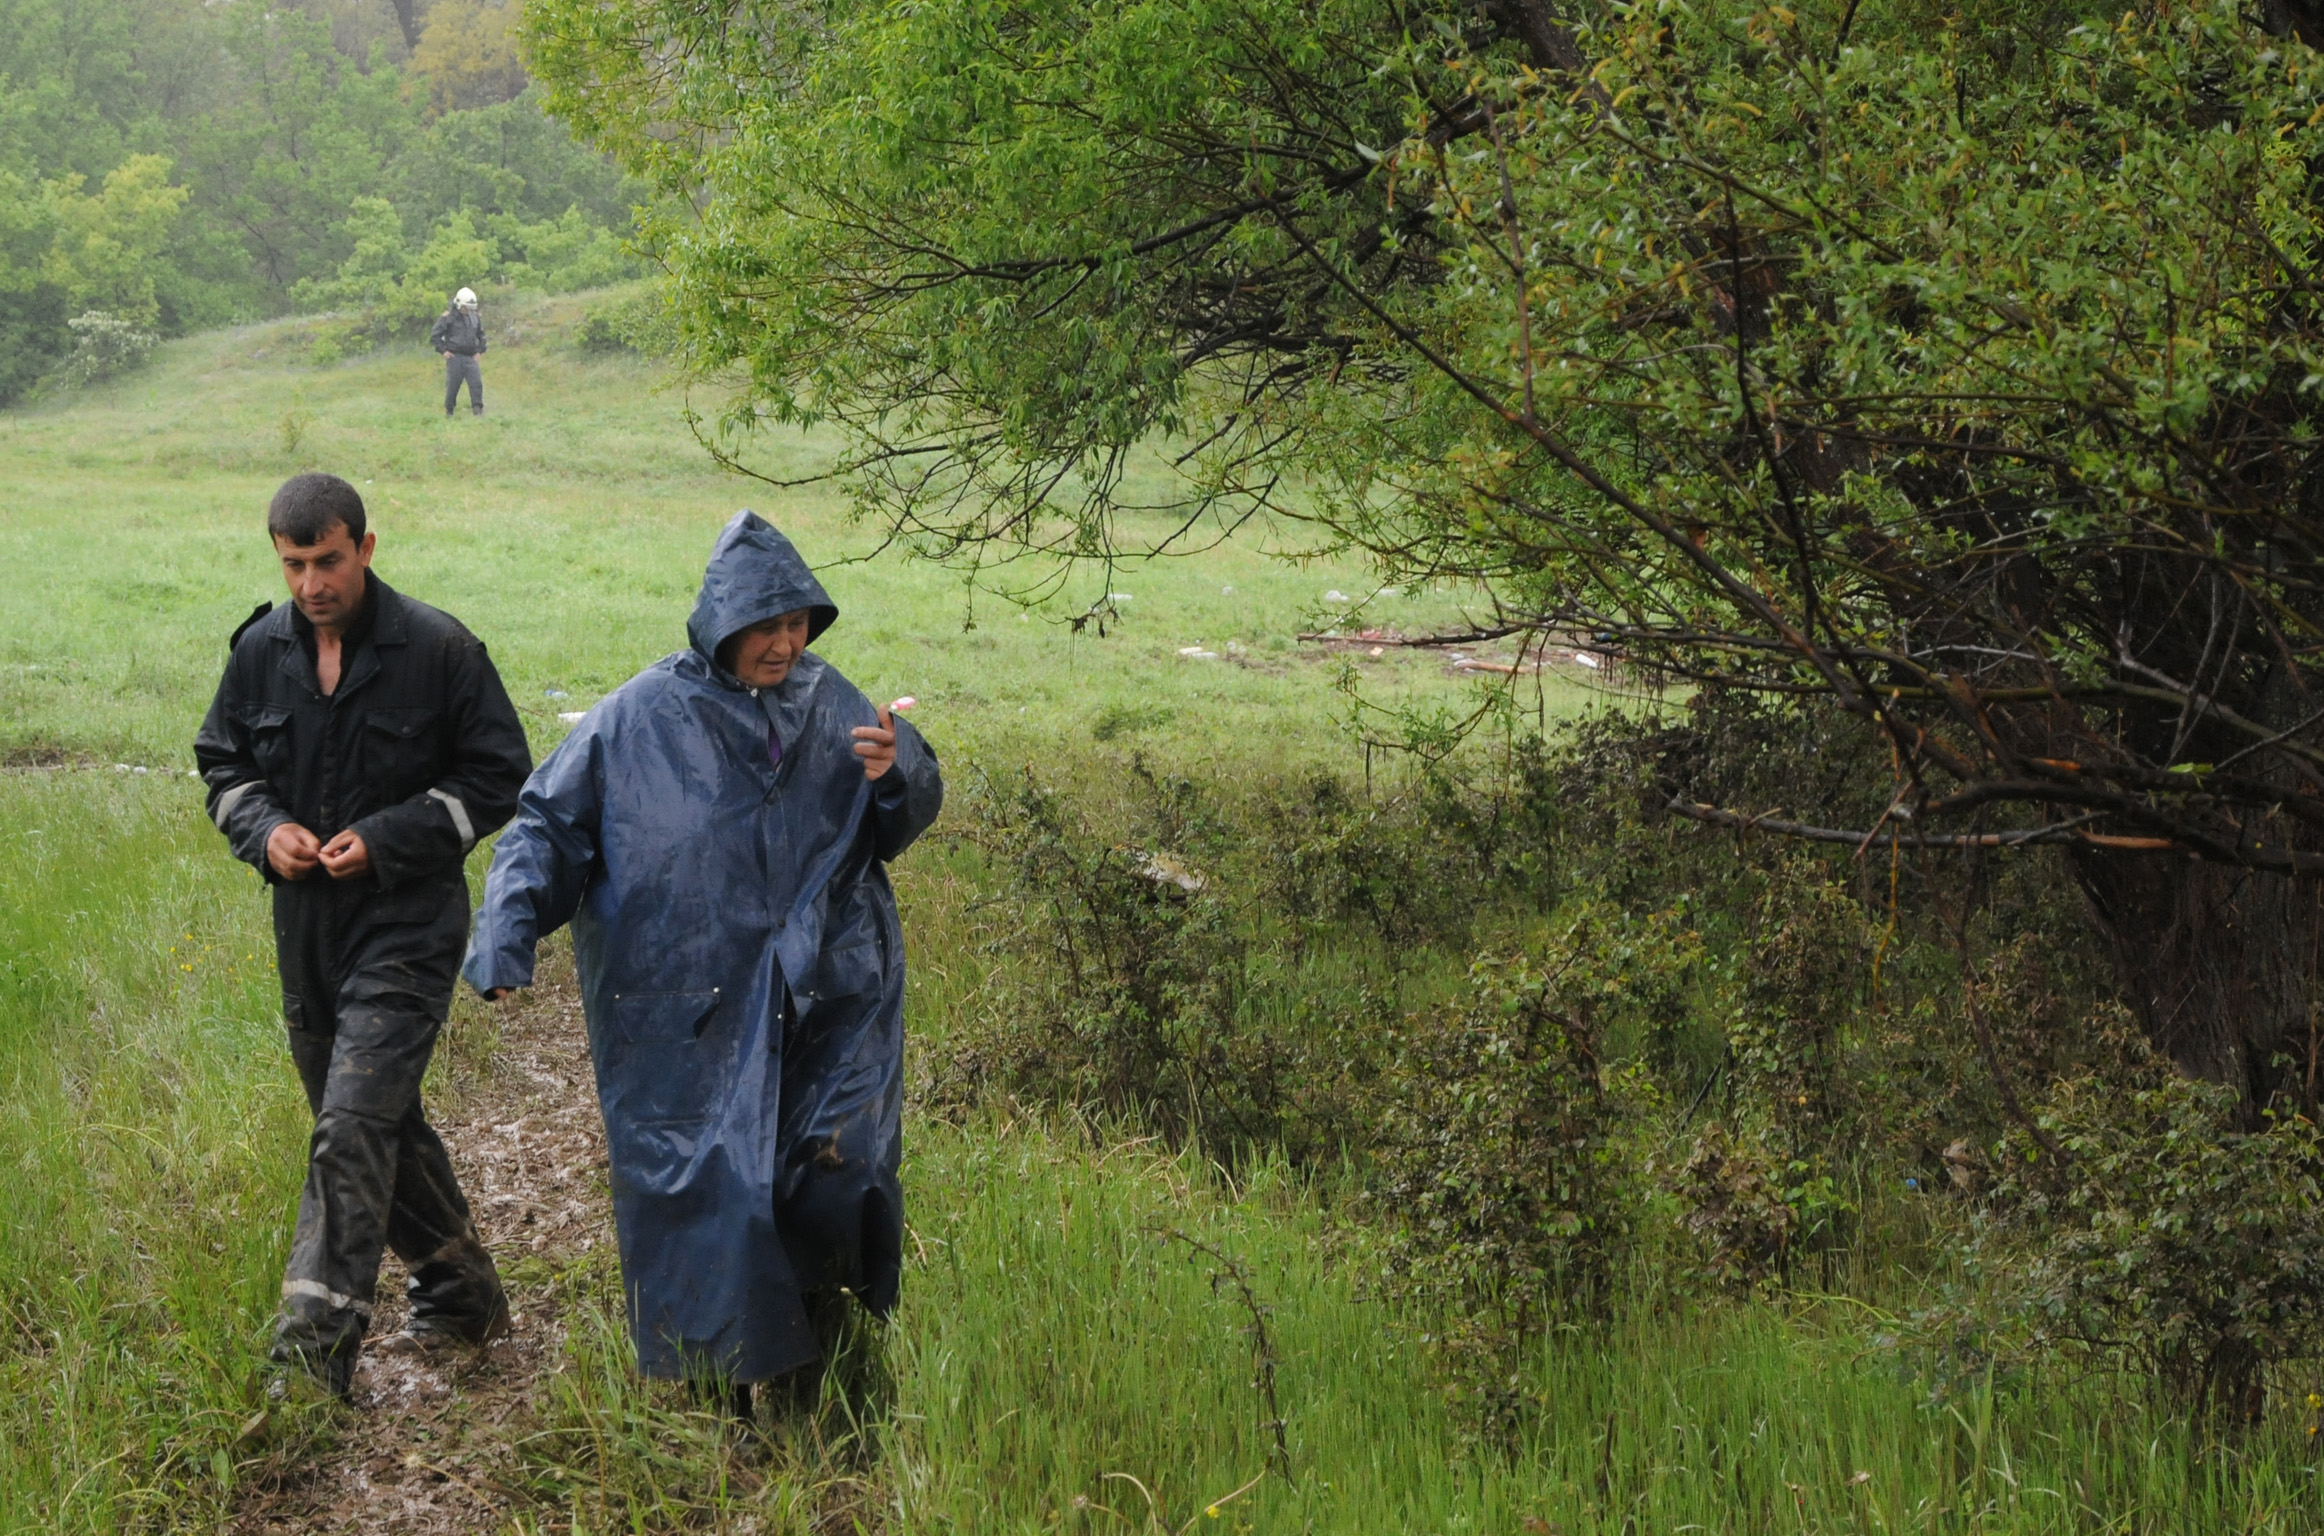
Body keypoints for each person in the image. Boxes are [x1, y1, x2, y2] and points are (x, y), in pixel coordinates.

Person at [462, 510, 942, 1421]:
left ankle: (819, 1376)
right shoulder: (637, 717)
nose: (785, 642)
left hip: (831, 992)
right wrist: (506, 934)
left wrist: (898, 768)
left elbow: (897, 823)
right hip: (687, 1001)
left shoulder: (831, 700)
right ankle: (715, 1394)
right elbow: (545, 827)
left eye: (798, 623)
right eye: (766, 625)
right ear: (721, 623)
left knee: (831, 1166)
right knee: (704, 1185)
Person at [194, 473, 533, 1396]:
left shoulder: (439, 648)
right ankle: (462, 1293)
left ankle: (308, 1360)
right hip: (306, 932)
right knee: (371, 1123)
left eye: (329, 560)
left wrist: (386, 839)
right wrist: (267, 832)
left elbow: (501, 776)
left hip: (410, 926)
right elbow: (220, 761)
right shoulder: (261, 652)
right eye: (295, 564)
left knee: (350, 1124)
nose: (312, 583)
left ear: (366, 549)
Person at [430, 287, 487, 417]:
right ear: (459, 304)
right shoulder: (448, 317)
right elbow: (435, 335)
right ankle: (449, 410)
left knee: (476, 383)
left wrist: (480, 351)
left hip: (471, 357)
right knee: (453, 385)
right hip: (454, 357)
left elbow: (481, 334)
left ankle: (478, 409)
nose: (467, 310)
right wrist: (443, 351)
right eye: (465, 307)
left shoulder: (475, 317)